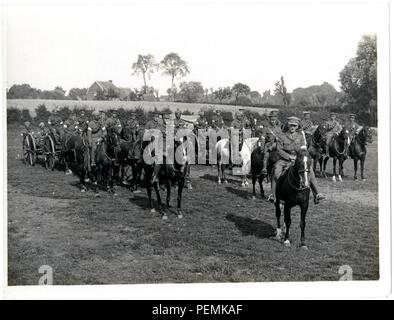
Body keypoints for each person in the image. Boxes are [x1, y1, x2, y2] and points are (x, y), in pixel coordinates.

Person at [268, 116, 325, 204]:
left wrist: (300, 157)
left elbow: (303, 149)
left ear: (297, 127)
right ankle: (273, 195)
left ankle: (317, 194)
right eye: (291, 125)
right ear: (288, 125)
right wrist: (289, 157)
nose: (292, 128)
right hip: (284, 160)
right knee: (276, 170)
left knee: (310, 171)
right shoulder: (282, 136)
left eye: (294, 126)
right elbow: (279, 150)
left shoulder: (300, 137)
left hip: (298, 160)